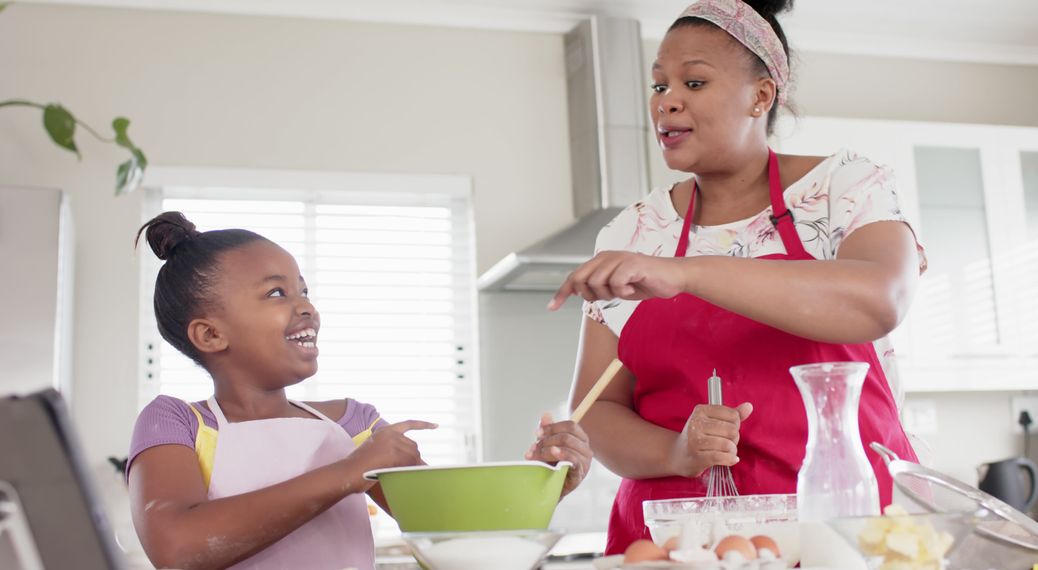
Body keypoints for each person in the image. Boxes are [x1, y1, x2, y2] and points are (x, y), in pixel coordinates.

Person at [547, 0, 926, 555]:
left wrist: (686, 274)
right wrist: (677, 452)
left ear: (761, 95)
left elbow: (878, 300)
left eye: (694, 82)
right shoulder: (631, 234)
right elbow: (596, 410)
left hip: (842, 534)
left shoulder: (844, 187)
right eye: (659, 86)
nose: (667, 101)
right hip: (678, 546)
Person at [127, 212, 592, 570]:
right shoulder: (177, 423)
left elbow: (458, 542)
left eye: (303, 290)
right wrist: (349, 472)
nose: (306, 307)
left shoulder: (355, 424)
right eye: (276, 294)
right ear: (210, 335)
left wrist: (543, 484)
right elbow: (177, 546)